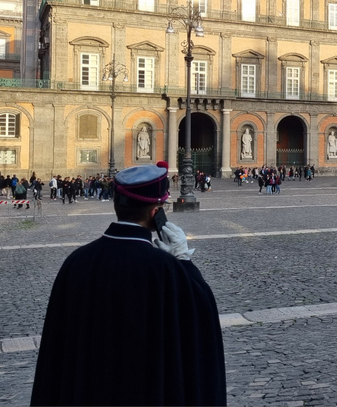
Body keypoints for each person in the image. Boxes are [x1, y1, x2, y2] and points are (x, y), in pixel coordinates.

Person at [31, 161, 226, 406]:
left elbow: (56, 351)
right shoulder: (167, 270)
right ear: (156, 213)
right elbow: (201, 318)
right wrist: (184, 260)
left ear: (116, 205)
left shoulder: (76, 262)